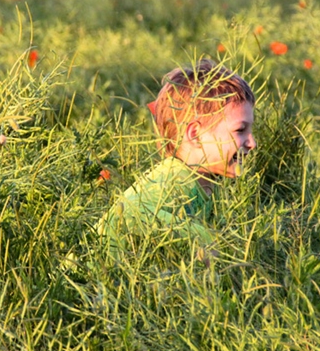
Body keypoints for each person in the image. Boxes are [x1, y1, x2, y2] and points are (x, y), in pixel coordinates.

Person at [96, 58, 256, 260]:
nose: (252, 143)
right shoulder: (174, 179)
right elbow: (131, 213)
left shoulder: (204, 179)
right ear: (196, 135)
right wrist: (203, 238)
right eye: (240, 130)